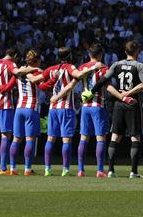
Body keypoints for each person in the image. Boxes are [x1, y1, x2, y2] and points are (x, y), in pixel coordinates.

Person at [85, 41, 143, 178]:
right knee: (135, 138)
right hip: (133, 103)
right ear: (136, 51)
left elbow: (102, 80)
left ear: (125, 52)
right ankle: (133, 172)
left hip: (119, 103)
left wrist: (91, 91)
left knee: (115, 137)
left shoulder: (116, 64)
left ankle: (111, 171)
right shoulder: (139, 65)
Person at [36, 47, 102, 177]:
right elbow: (78, 75)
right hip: (66, 107)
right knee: (66, 140)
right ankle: (65, 169)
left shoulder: (51, 69)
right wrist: (93, 68)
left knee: (50, 139)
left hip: (53, 108)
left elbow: (38, 81)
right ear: (70, 55)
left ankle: (47, 169)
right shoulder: (70, 67)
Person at [0, 48, 37, 175]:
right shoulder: (10, 64)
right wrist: (33, 69)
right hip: (4, 104)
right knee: (5, 135)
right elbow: (18, 71)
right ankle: (2, 168)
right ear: (15, 56)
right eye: (17, 58)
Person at [9, 50, 49, 175]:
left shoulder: (20, 70)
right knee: (30, 139)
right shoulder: (36, 71)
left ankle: (12, 168)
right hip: (31, 108)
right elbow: (37, 82)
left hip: (19, 108)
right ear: (36, 61)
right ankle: (27, 168)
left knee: (16, 139)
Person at [76, 44, 109, 177]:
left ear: (89, 55)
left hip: (85, 107)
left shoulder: (82, 67)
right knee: (100, 138)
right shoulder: (104, 68)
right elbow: (108, 85)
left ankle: (80, 170)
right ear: (100, 55)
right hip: (98, 106)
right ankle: (100, 170)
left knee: (84, 138)